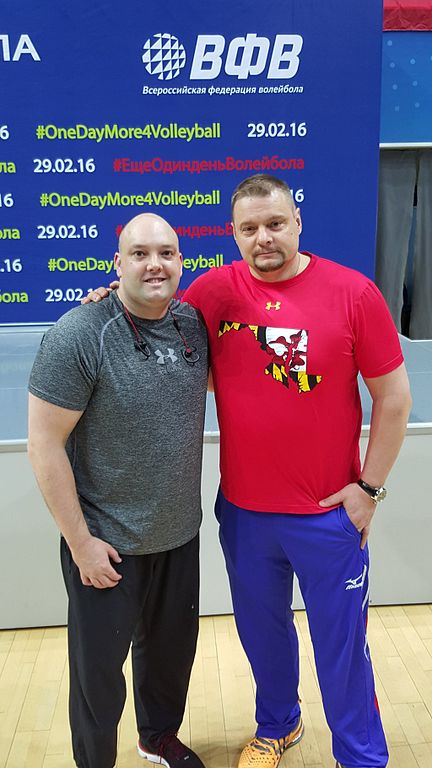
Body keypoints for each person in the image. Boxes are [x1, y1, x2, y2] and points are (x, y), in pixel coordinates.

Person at [88, 175, 412, 768]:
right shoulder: (214, 294)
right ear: (233, 235)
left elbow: (393, 398)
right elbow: (150, 310)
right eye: (248, 228)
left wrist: (368, 489)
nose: (263, 238)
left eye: (275, 223)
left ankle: (362, 756)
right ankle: (278, 726)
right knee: (263, 638)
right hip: (244, 514)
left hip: (327, 515)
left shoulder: (354, 293)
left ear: (297, 223)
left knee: (341, 649)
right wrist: (110, 296)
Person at [28, 213, 209, 768]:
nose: (154, 264)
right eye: (139, 253)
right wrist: (81, 543)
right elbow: (44, 446)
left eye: (166, 253)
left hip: (179, 535)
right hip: (106, 545)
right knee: (98, 678)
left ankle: (157, 738)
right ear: (117, 263)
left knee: (171, 659)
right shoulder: (79, 334)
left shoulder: (194, 325)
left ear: (182, 262)